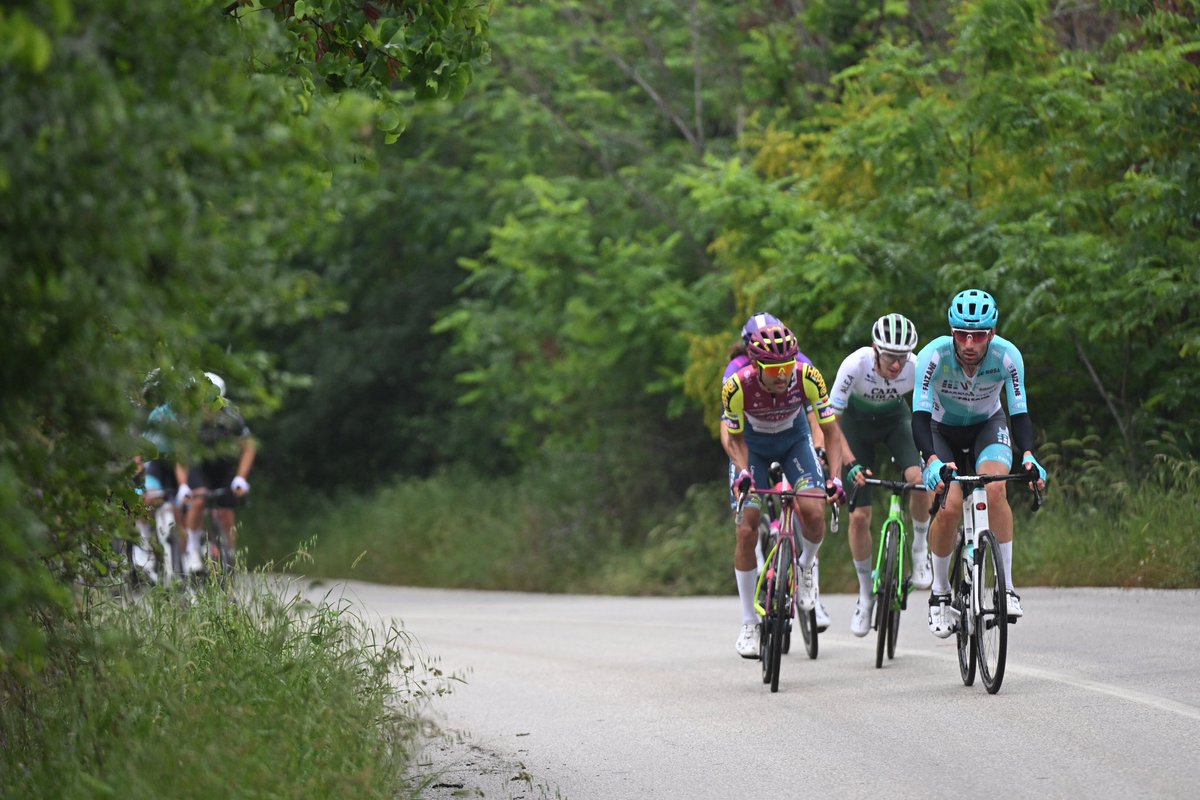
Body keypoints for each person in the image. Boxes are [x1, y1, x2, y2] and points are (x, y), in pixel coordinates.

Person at [911, 290, 1047, 638]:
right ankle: (940, 592)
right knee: (950, 504)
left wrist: (1029, 455)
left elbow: (1019, 413)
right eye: (961, 334)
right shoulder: (933, 355)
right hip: (941, 430)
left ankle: (1008, 588)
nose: (969, 343)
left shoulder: (1007, 357)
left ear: (993, 332)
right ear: (951, 331)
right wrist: (930, 461)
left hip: (988, 426)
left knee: (996, 487)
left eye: (979, 335)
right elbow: (920, 416)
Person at [720, 321, 847, 659]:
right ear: (756, 365)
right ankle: (749, 621)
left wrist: (835, 477)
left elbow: (831, 432)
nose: (783, 374)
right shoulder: (737, 385)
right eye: (775, 368)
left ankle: (805, 568)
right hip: (755, 449)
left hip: (794, 443)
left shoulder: (808, 376)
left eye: (788, 365)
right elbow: (733, 439)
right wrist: (744, 473)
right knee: (747, 527)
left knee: (814, 510)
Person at [830, 313, 931, 637]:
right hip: (855, 429)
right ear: (875, 349)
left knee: (918, 478)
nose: (897, 365)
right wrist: (849, 463)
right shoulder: (854, 365)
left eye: (902, 358)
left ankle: (919, 548)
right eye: (890, 357)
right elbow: (830, 422)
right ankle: (865, 594)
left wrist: (932, 455)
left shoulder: (917, 366)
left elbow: (930, 412)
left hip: (895, 421)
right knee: (860, 517)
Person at [174, 372, 257, 573]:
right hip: (198, 464)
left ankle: (229, 553)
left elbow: (249, 447)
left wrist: (241, 478)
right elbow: (181, 455)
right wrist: (183, 484)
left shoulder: (231, 416)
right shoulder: (189, 419)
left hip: (224, 465)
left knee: (225, 511)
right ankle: (193, 549)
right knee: (199, 499)